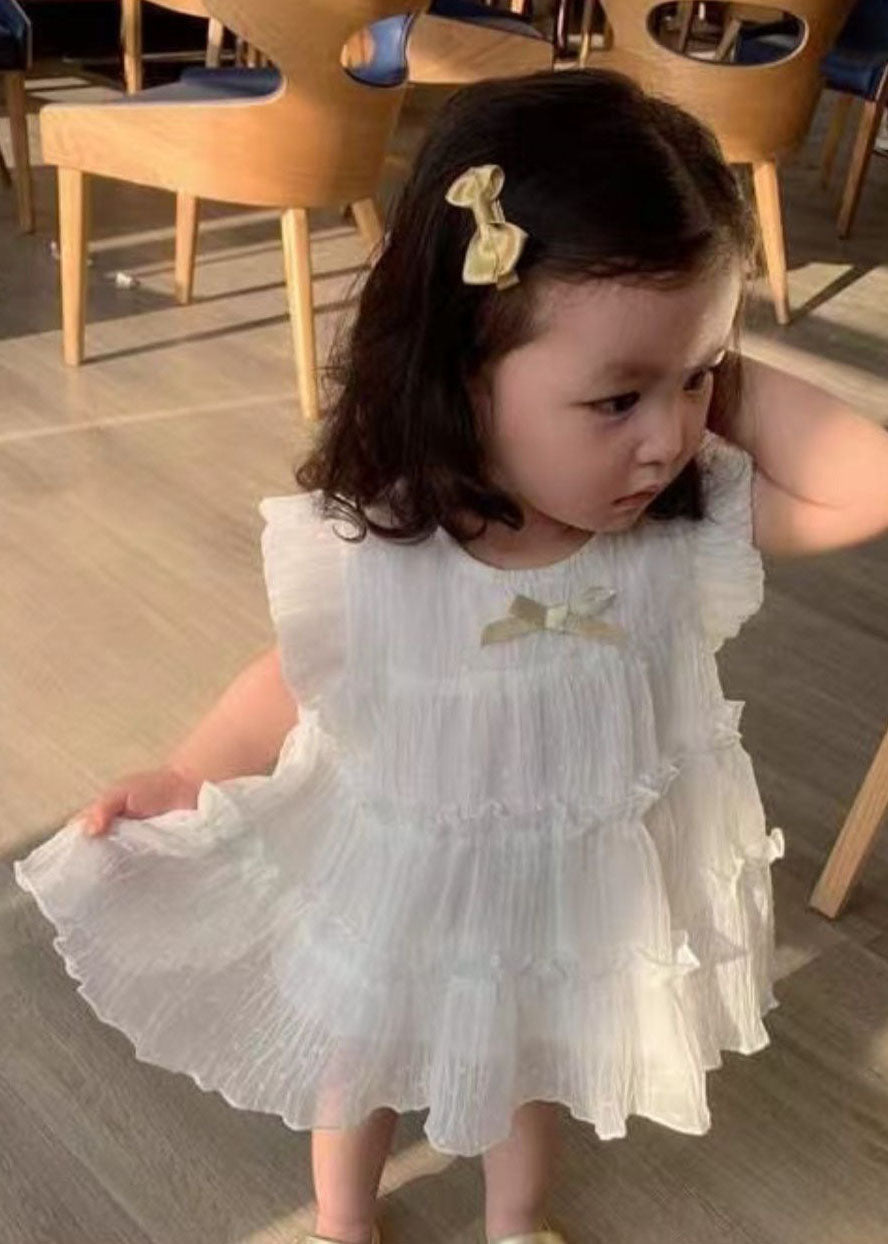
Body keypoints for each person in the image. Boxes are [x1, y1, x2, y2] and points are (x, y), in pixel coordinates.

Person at [14, 69, 888, 1244]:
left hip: (560, 894)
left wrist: (703, 360)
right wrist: (189, 768)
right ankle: (342, 1220)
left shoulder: (684, 525)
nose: (669, 437)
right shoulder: (387, 544)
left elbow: (868, 481)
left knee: (525, 1067)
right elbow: (295, 675)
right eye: (617, 398)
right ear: (464, 368)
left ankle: (515, 1220)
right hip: (404, 876)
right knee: (361, 1062)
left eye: (696, 384)